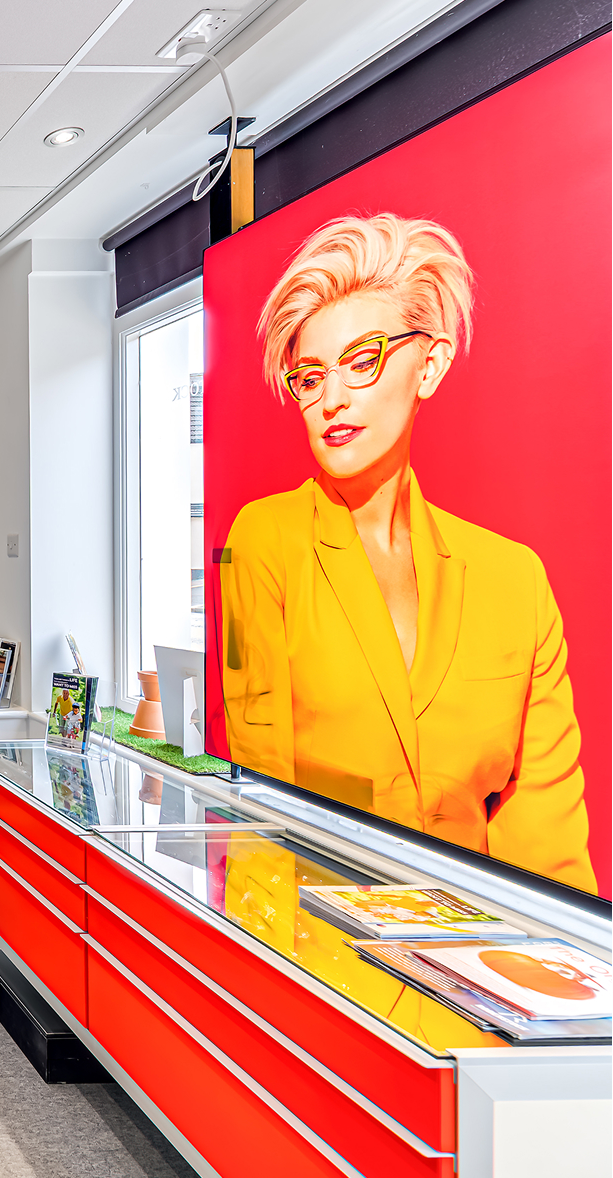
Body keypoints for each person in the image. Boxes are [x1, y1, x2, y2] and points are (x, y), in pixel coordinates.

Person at [220, 214, 592, 892]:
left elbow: (545, 836)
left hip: (474, 954)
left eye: (361, 362)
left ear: (431, 362)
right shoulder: (261, 542)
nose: (330, 399)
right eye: (308, 377)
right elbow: (259, 790)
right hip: (321, 945)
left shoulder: (514, 580)